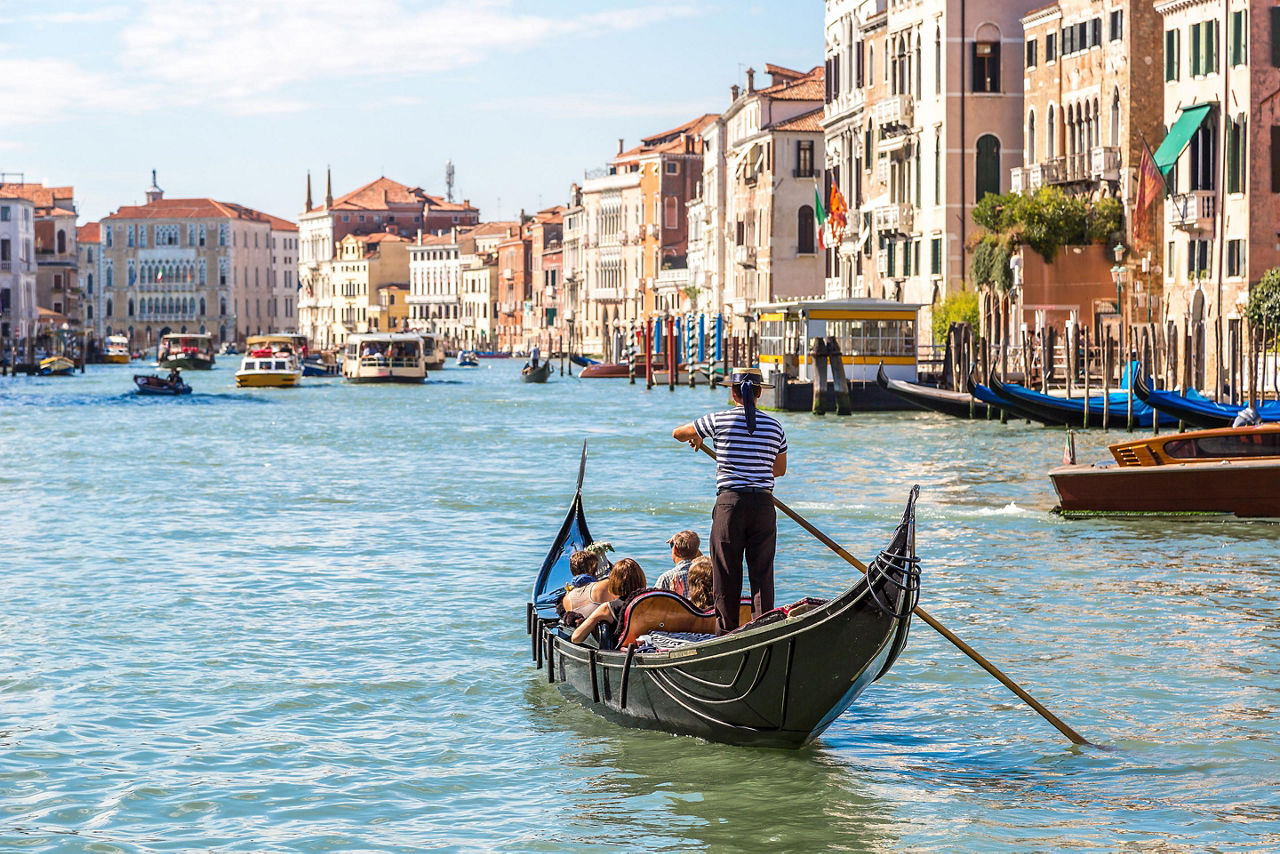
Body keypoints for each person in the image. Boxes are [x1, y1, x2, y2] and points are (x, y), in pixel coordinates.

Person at [672, 366, 787, 633]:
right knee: (762, 574)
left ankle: (726, 632)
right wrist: (754, 466)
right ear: (758, 393)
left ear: (733, 393)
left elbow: (678, 433)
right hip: (762, 505)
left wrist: (698, 435)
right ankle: (763, 629)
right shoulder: (775, 426)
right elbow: (779, 470)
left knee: (725, 573)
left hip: (730, 506)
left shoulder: (717, 420)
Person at [570, 558, 647, 644]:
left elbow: (576, 638)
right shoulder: (652, 602)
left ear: (615, 582)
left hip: (622, 652)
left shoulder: (607, 608)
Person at [655, 530, 702, 597]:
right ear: (697, 551)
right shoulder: (705, 573)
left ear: (675, 550)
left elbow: (653, 604)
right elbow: (704, 560)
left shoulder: (667, 578)